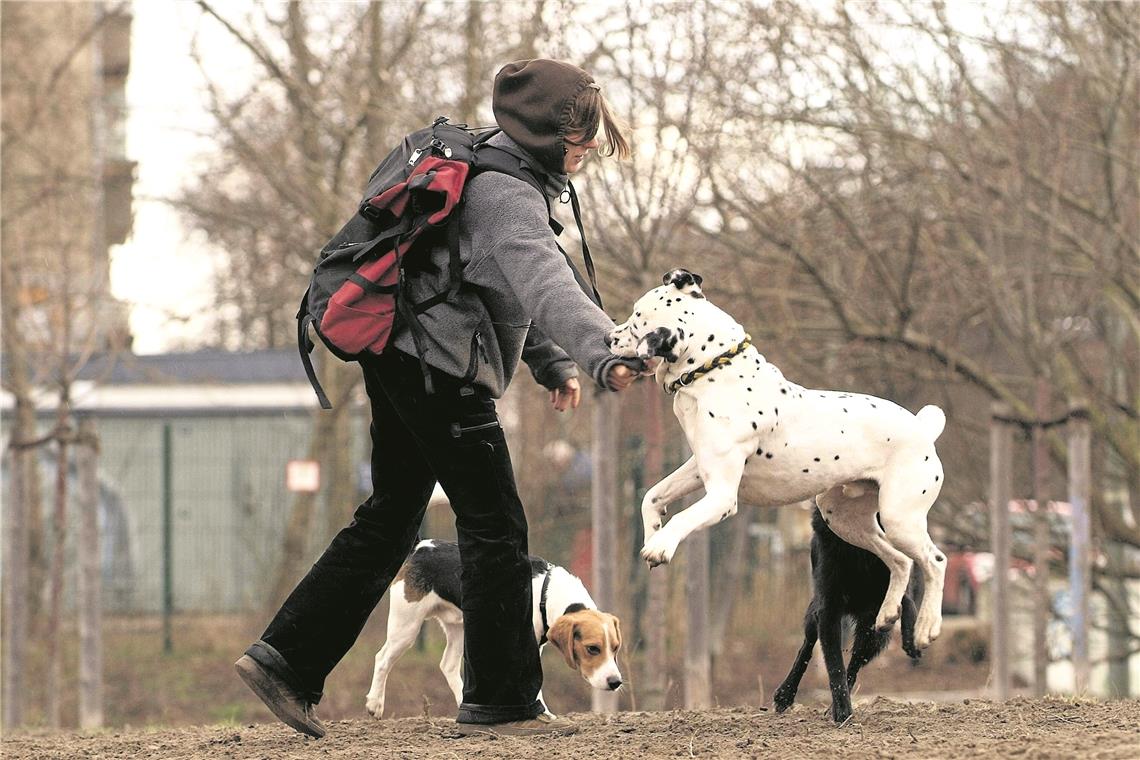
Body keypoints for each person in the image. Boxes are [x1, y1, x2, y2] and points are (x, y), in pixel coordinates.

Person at [235, 58, 640, 739]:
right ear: (549, 134)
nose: (593, 147)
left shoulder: (495, 168)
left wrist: (549, 360)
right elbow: (544, 281)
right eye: (586, 135)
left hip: (402, 355)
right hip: (439, 372)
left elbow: (495, 282)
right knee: (496, 526)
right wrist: (605, 354)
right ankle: (504, 701)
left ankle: (284, 659)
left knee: (393, 514)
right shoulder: (508, 196)